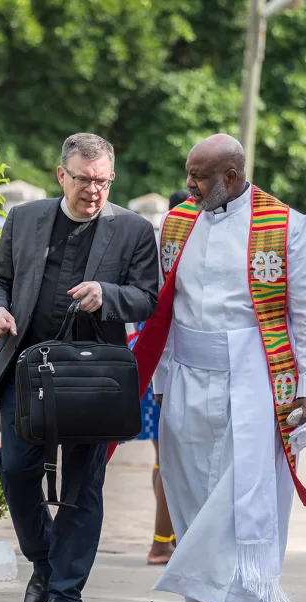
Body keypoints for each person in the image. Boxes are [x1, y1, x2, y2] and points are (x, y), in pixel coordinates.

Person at [133, 133, 306, 602]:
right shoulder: (176, 223)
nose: (188, 186)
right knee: (190, 480)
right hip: (185, 376)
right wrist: (156, 377)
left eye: (199, 177)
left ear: (232, 178)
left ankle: (228, 599)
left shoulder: (286, 225)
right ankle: (215, 586)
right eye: (189, 174)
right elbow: (163, 305)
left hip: (256, 379)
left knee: (242, 489)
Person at [0, 133, 159, 602]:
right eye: (84, 180)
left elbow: (148, 297)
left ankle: (66, 592)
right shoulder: (24, 218)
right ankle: (42, 559)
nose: (94, 190)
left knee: (83, 484)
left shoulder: (134, 230)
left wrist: (108, 294)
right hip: (29, 370)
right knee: (16, 470)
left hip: (95, 375)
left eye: (103, 181)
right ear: (62, 175)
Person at [138, 188, 191, 566]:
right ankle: (161, 542)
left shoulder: (158, 250)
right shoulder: (168, 251)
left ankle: (166, 539)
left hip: (153, 368)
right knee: (169, 460)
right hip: (162, 371)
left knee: (166, 459)